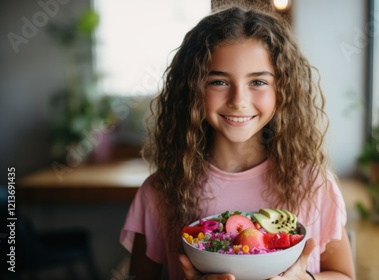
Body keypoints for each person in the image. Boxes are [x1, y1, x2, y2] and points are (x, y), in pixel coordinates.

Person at [120, 4, 355, 280]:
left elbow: (345, 275)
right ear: (193, 88)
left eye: (257, 82)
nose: (238, 101)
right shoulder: (161, 191)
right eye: (219, 82)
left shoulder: (314, 184)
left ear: (283, 89)